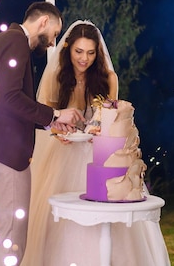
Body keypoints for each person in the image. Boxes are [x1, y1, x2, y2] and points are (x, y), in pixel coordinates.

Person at [0, 2, 85, 266]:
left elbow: (8, 102)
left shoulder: (4, 41)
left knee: (8, 235)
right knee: (12, 242)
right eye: (54, 33)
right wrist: (54, 115)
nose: (52, 42)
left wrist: (51, 123)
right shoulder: (16, 42)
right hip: (6, 152)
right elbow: (10, 97)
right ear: (43, 23)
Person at [23, 20, 155, 266]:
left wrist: (97, 127)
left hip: (99, 154)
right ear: (68, 50)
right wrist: (57, 132)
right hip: (62, 154)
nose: (84, 59)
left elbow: (112, 119)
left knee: (106, 209)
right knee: (60, 215)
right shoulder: (56, 77)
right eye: (79, 52)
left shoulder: (108, 78)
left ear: (98, 53)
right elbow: (47, 119)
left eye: (91, 53)